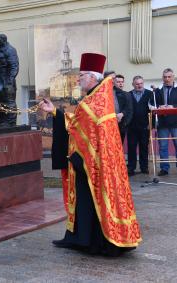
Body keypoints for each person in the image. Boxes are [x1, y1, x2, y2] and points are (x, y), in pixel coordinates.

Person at [39, 53, 141, 255]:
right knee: (82, 200)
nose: (79, 78)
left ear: (93, 77)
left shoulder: (96, 100)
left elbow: (82, 127)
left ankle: (92, 241)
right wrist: (54, 112)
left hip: (92, 162)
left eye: (82, 74)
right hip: (86, 160)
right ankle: (79, 238)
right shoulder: (95, 98)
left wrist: (84, 155)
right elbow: (78, 123)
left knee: (90, 200)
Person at [150, 68, 177, 176]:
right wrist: (158, 107)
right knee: (163, 146)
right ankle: (164, 168)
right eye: (165, 77)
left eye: (169, 77)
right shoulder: (158, 91)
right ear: (162, 78)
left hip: (176, 123)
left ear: (173, 77)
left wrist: (173, 106)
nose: (167, 79)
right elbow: (151, 105)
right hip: (162, 123)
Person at [127, 76, 153, 176]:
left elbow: (152, 111)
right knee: (131, 148)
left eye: (141, 83)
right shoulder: (128, 95)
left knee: (144, 147)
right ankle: (131, 168)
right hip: (132, 127)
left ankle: (144, 167)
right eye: (137, 84)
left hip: (145, 126)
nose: (139, 85)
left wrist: (151, 125)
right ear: (133, 84)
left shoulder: (150, 94)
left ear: (143, 83)